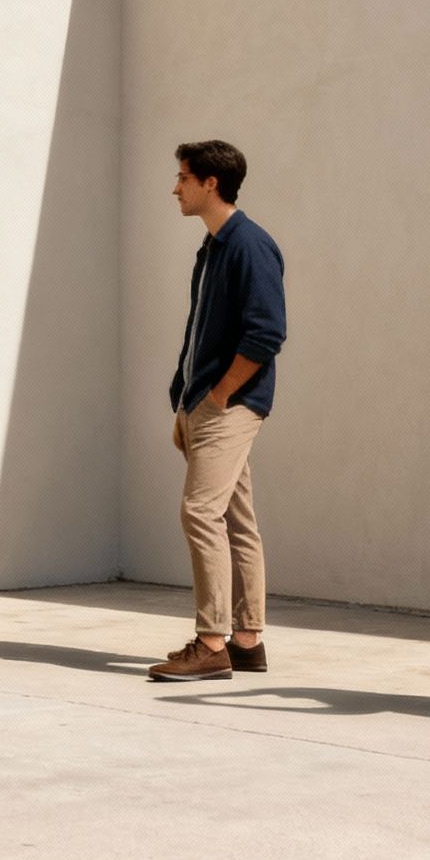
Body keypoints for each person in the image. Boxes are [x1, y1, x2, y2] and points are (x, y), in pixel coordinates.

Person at [150, 141, 287, 682]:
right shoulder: (211, 249)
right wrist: (185, 398)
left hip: (229, 404)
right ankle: (247, 640)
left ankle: (211, 643)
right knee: (235, 518)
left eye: (183, 177)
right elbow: (197, 332)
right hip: (203, 400)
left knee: (199, 513)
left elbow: (267, 333)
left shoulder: (250, 245)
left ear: (211, 183)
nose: (175, 187)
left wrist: (220, 395)